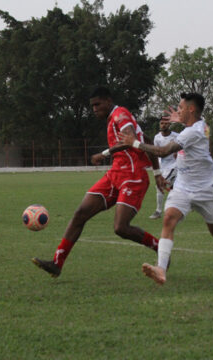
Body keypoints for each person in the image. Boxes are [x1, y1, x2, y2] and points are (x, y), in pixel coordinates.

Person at [32, 86, 165, 278]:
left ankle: (160, 248)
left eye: (97, 104)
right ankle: (57, 263)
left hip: (133, 176)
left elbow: (131, 138)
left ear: (108, 101)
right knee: (80, 213)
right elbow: (147, 139)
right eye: (92, 106)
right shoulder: (114, 118)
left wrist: (104, 153)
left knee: (121, 228)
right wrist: (158, 172)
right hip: (115, 174)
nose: (94, 109)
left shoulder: (120, 115)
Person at [119, 92, 213, 285]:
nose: (177, 111)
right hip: (183, 186)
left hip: (204, 189)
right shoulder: (197, 126)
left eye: (180, 108)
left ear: (191, 109)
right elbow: (195, 124)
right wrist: (182, 120)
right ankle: (161, 269)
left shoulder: (194, 132)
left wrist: (133, 142)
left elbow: (163, 151)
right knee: (168, 218)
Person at [149, 116, 179, 219]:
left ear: (170, 124)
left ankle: (158, 211)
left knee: (160, 185)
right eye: (162, 123)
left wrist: (177, 152)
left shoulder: (176, 136)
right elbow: (156, 152)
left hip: (174, 166)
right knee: (175, 188)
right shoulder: (157, 137)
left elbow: (182, 148)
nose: (163, 125)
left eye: (166, 123)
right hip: (163, 167)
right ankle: (188, 204)